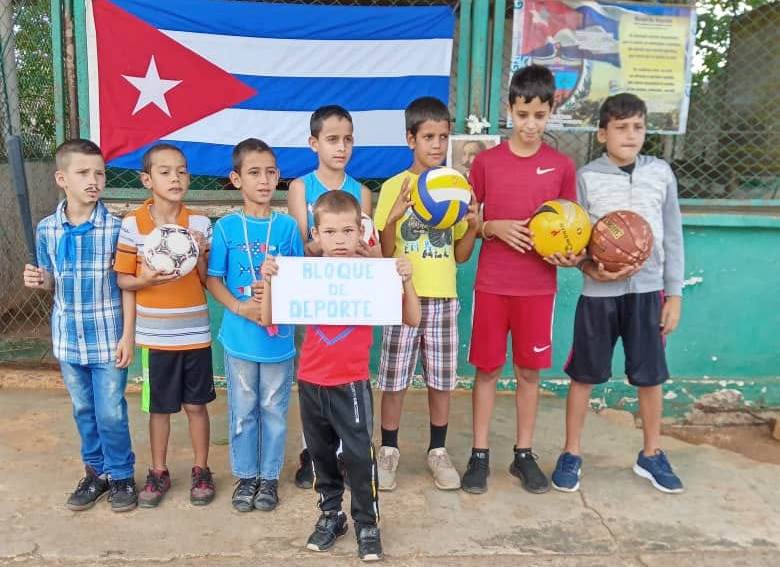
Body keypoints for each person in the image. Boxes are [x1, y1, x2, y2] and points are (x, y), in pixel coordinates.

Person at [260, 190, 421, 562]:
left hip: (351, 384)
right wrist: (269, 281)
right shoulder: (302, 274)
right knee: (320, 457)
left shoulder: (373, 274)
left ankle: (367, 523)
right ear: (315, 235)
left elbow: (412, 318)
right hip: (311, 383)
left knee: (360, 458)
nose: (339, 240)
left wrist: (406, 279)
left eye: (348, 231)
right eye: (330, 232)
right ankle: (331, 515)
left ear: (360, 234)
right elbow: (268, 318)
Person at [552, 93, 685, 494]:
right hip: (599, 295)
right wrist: (590, 268)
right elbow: (575, 238)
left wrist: (674, 294)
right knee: (584, 375)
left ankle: (652, 454)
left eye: (638, 127)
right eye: (621, 127)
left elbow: (674, 236)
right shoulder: (586, 177)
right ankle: (571, 452)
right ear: (602, 133)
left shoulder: (660, 173)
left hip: (649, 293)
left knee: (650, 376)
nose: (631, 135)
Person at [463, 64, 579, 495]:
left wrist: (570, 253)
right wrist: (492, 228)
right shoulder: (487, 163)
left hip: (538, 288)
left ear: (551, 113)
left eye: (540, 115)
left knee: (529, 373)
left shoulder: (562, 167)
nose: (531, 124)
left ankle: (523, 454)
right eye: (523, 113)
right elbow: (469, 224)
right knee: (487, 370)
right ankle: (478, 456)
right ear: (510, 109)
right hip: (493, 284)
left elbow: (572, 229)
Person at [23, 139, 137, 512]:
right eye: (83, 173)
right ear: (62, 178)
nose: (94, 180)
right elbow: (52, 280)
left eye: (99, 173)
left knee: (111, 411)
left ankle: (121, 475)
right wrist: (42, 281)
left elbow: (125, 286)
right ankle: (96, 473)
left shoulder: (118, 229)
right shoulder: (46, 230)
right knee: (83, 410)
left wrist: (127, 336)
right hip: (68, 339)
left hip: (107, 338)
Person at [373, 96, 478, 491]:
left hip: (444, 298)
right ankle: (388, 450)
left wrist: (472, 224)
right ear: (410, 139)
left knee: (440, 379)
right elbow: (384, 251)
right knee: (395, 379)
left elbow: (461, 256)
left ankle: (437, 450)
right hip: (402, 297)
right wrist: (395, 217)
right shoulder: (392, 188)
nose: (437, 145)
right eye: (428, 136)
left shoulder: (456, 187)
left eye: (443, 137)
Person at [114, 143, 216, 508]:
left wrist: (202, 253)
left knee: (197, 406)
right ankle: (158, 471)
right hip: (155, 337)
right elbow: (124, 281)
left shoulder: (200, 224)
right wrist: (147, 281)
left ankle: (201, 470)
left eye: (182, 171)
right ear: (146, 179)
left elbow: (205, 280)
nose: (176, 178)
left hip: (195, 333)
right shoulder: (132, 225)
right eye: (165, 171)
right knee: (159, 408)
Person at [206, 138, 304, 512]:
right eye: (253, 173)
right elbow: (213, 278)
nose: (263, 180)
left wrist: (278, 299)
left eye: (270, 173)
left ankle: (269, 478)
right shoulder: (228, 228)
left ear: (278, 177)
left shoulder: (288, 228)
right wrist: (239, 307)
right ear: (236, 179)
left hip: (277, 342)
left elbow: (300, 279)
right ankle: (245, 477)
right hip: (239, 338)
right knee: (243, 410)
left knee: (274, 410)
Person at [287, 104, 378, 488]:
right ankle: (314, 450)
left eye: (347, 140)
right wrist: (326, 242)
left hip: (350, 295)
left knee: (347, 371)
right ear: (314, 143)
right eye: (332, 140)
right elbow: (302, 244)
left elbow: (367, 245)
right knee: (314, 375)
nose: (341, 147)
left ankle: (344, 452)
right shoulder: (300, 187)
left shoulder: (361, 192)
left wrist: (364, 250)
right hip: (313, 295)